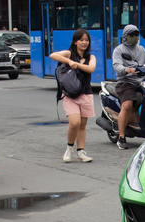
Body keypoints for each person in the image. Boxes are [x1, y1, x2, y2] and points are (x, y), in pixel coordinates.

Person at [49, 29, 96, 163]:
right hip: (70, 94)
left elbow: (91, 69)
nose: (84, 43)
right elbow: (53, 55)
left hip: (86, 93)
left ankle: (80, 151)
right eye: (81, 40)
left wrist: (78, 65)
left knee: (83, 125)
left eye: (86, 40)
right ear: (75, 41)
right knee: (75, 123)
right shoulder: (70, 54)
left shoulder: (90, 57)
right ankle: (69, 148)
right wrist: (69, 62)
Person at [112, 24, 145, 150]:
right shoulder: (119, 50)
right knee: (127, 105)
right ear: (125, 36)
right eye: (131, 35)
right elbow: (117, 66)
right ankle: (121, 137)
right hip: (126, 82)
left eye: (136, 34)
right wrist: (126, 69)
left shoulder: (141, 49)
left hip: (141, 81)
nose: (134, 37)